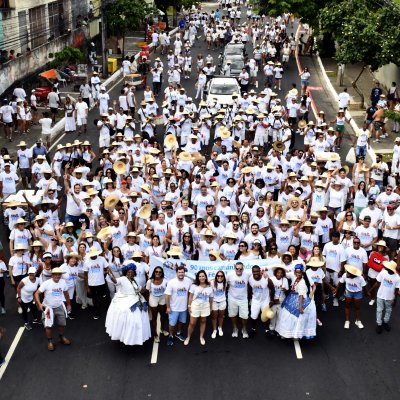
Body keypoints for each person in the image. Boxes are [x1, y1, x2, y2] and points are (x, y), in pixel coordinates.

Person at [105, 263, 151, 345]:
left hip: (136, 299)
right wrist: (110, 274)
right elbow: (115, 281)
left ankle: (136, 337)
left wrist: (149, 288)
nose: (130, 273)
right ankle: (126, 337)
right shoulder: (123, 278)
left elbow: (140, 289)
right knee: (129, 319)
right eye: (129, 272)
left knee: (138, 319)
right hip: (126, 301)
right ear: (126, 272)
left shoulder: (135, 280)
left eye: (132, 272)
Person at [34, 267, 72, 351]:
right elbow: (37, 293)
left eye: (59, 274)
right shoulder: (46, 283)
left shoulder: (63, 282)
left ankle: (62, 338)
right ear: (52, 275)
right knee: (48, 326)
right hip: (48, 308)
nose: (57, 276)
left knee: (62, 324)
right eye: (55, 274)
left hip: (59, 306)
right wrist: (39, 304)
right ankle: (50, 342)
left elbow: (66, 293)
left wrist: (68, 304)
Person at [275, 264, 317, 339]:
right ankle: (286, 333)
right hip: (292, 297)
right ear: (294, 272)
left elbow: (301, 295)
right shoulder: (295, 278)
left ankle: (294, 334)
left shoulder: (302, 282)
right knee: (287, 315)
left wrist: (301, 306)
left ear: (302, 273)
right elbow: (285, 274)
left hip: (299, 299)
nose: (297, 274)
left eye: (299, 273)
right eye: (296, 272)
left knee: (295, 318)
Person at [164, 265, 191, 346]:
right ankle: (171, 335)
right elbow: (167, 295)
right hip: (174, 307)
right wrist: (168, 307)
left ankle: (178, 333)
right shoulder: (171, 282)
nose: (181, 274)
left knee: (181, 322)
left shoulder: (188, 281)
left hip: (183, 307)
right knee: (172, 323)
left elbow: (190, 291)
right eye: (179, 272)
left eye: (182, 272)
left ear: (184, 273)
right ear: (176, 273)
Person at [370, 260, 400, 334]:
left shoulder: (397, 277)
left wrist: (395, 300)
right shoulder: (383, 273)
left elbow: (396, 290)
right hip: (380, 295)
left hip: (390, 298)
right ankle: (379, 324)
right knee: (379, 310)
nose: (387, 268)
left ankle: (385, 322)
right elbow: (377, 282)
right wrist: (371, 290)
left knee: (388, 310)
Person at [184, 270, 213, 345]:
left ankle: (201, 337)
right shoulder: (194, 286)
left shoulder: (209, 287)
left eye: (203, 276)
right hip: (195, 306)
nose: (201, 277)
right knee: (192, 323)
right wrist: (189, 306)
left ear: (205, 277)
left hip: (205, 306)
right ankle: (188, 337)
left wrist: (210, 307)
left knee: (203, 321)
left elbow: (211, 298)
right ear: (198, 277)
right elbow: (190, 297)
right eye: (200, 276)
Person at [336, 264, 369, 329]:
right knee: (347, 306)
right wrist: (336, 290)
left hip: (358, 293)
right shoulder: (345, 275)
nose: (347, 274)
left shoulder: (360, 278)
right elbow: (340, 282)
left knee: (357, 307)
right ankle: (347, 321)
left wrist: (366, 293)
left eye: (348, 273)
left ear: (353, 274)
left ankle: (358, 321)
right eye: (347, 272)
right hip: (348, 292)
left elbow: (364, 286)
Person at [227, 261, 250, 338]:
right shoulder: (229, 275)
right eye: (237, 269)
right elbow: (223, 283)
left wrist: (265, 274)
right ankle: (235, 328)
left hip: (243, 299)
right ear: (234, 268)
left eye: (240, 269)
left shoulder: (247, 274)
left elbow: (256, 276)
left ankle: (244, 329)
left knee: (245, 316)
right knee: (233, 315)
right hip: (232, 298)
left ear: (243, 269)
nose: (239, 270)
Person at [146, 266, 168, 342]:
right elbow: (147, 291)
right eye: (156, 272)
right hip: (153, 298)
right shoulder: (149, 281)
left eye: (159, 272)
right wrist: (147, 303)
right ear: (154, 272)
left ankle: (162, 329)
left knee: (163, 315)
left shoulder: (165, 281)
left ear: (162, 273)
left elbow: (168, 291)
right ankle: (155, 334)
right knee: (154, 317)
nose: (158, 273)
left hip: (162, 298)